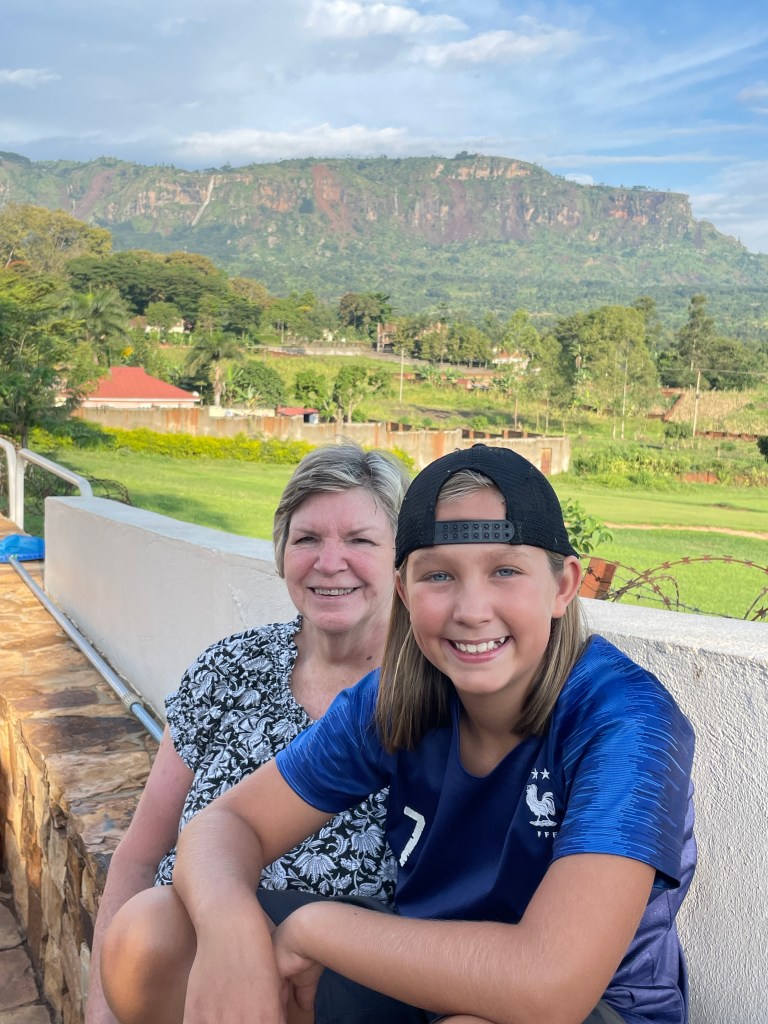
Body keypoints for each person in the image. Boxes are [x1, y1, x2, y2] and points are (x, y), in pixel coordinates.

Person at [102, 444, 696, 1024]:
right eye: (439, 575)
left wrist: (315, 929)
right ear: (405, 591)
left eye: (506, 571)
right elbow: (226, 824)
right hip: (419, 975)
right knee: (151, 934)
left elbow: (549, 987)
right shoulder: (397, 697)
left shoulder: (625, 718)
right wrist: (229, 928)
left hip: (585, 1004)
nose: (471, 609)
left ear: (563, 585)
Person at [85, 442, 410, 1024]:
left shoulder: (425, 695)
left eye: (360, 540)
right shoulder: (229, 669)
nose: (329, 562)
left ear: (399, 559)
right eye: (307, 539)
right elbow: (139, 852)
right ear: (282, 552)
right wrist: (104, 1013)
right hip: (179, 983)